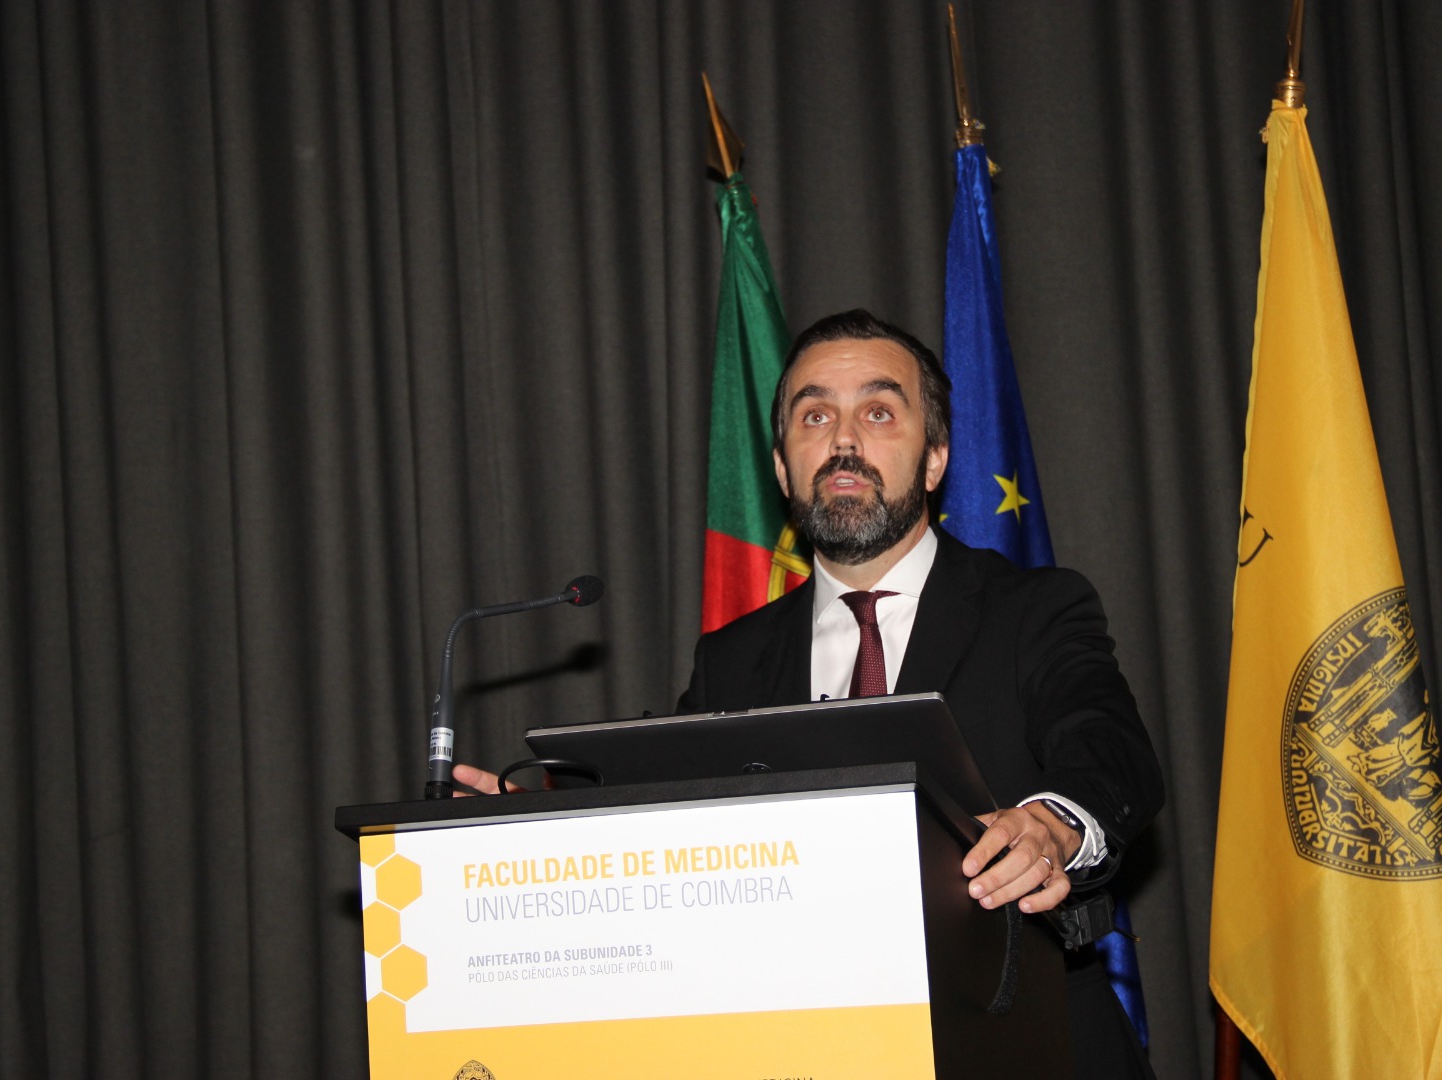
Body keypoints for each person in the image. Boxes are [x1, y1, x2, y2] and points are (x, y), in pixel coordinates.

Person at [459, 308, 1163, 1078]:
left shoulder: (1033, 610)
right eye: (816, 416)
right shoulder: (733, 659)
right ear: (783, 468)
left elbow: (1111, 752)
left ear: (934, 459)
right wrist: (538, 834)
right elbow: (670, 836)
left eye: (879, 412)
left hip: (1023, 1035)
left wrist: (1052, 827)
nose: (844, 440)